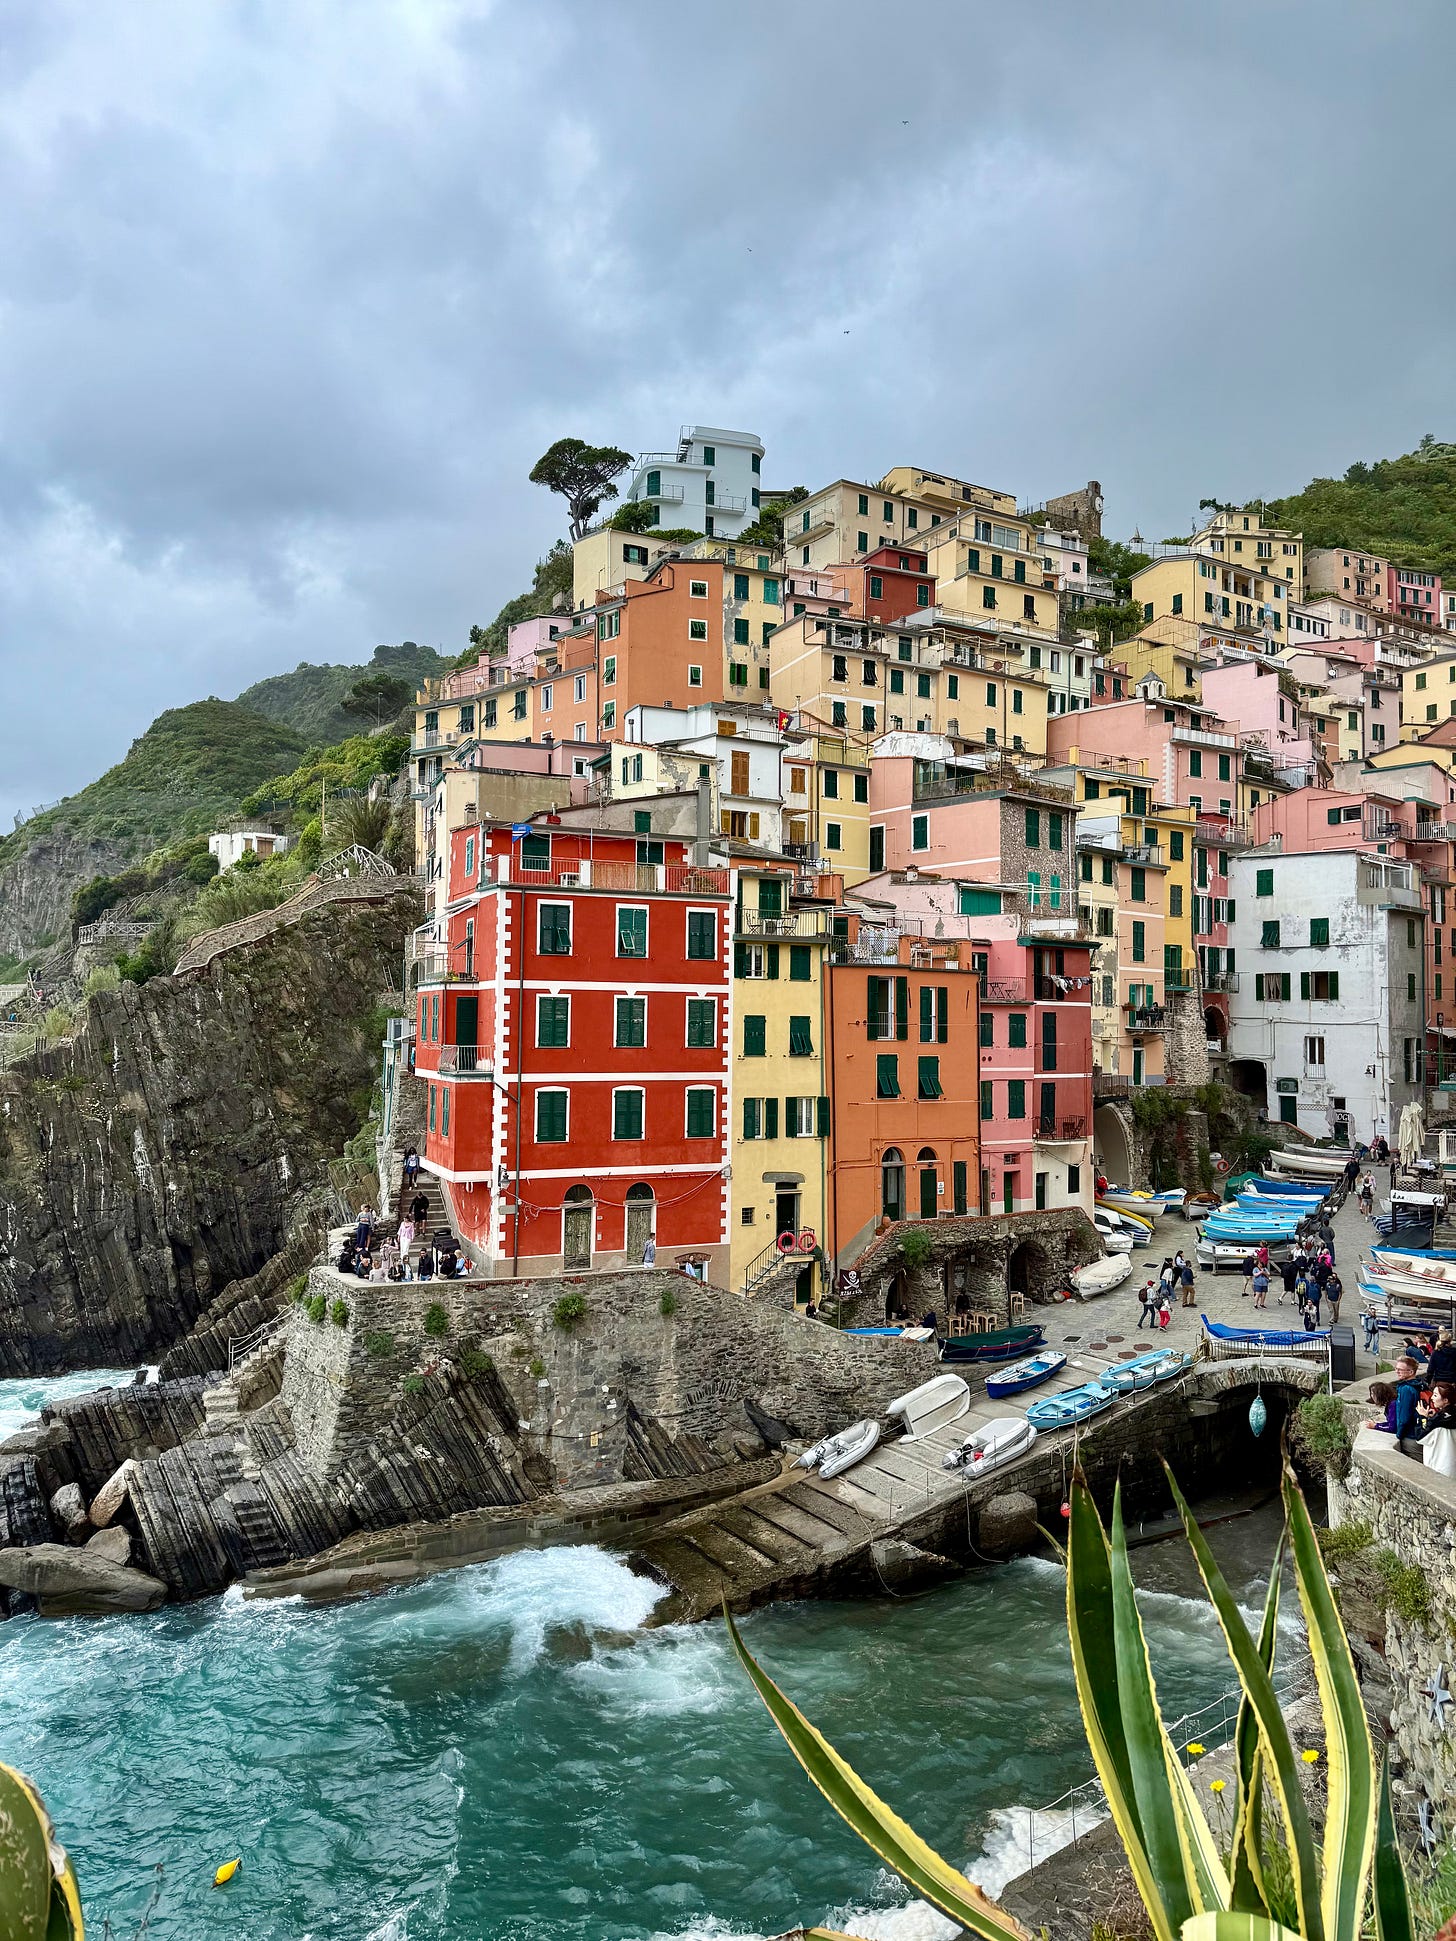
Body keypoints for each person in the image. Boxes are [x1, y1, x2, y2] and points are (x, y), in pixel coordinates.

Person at [1418, 1381, 1456, 1478]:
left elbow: (1421, 1437)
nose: (1432, 1398)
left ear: (1445, 1400)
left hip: (1439, 1466)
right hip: (1451, 1465)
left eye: (1435, 1395)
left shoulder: (1437, 1421)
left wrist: (1423, 1418)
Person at [1392, 1354, 1425, 1448]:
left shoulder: (1406, 1389)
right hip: (1418, 1433)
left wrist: (1399, 1435)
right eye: (1396, 1368)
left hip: (1410, 1436)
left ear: (1411, 1372)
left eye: (1400, 1370)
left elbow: (1404, 1417)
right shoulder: (1419, 1385)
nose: (1397, 1371)